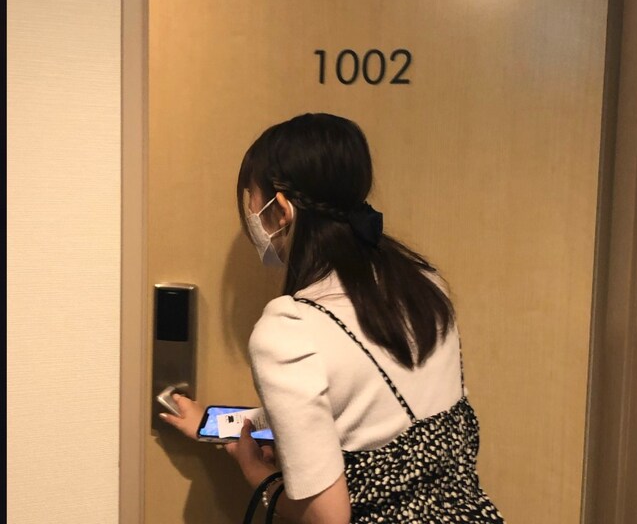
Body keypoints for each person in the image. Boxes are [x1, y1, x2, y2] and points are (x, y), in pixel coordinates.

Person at [161, 113, 505, 523]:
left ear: (281, 209)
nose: (251, 210)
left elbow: (328, 517)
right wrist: (221, 423)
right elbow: (372, 413)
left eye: (252, 196)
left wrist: (255, 471)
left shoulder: (290, 331)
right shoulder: (424, 283)